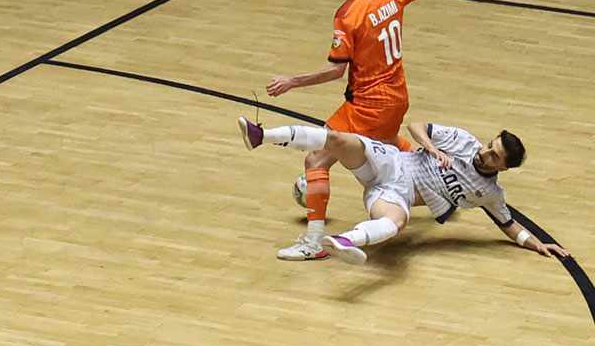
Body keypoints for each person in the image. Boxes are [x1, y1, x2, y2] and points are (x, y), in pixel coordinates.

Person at [263, 0, 465, 261]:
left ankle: (313, 244)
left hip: (367, 105)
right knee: (389, 143)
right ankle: (443, 186)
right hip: (397, 98)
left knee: (316, 158)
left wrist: (291, 82)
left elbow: (335, 70)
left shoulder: (348, 14)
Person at [237, 117, 570, 263]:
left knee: (396, 223)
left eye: (494, 156)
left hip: (395, 196)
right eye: (489, 146)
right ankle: (261, 136)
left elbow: (508, 225)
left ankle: (344, 241)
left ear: (503, 168)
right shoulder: (463, 141)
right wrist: (432, 147)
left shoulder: (489, 194)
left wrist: (538, 244)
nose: (484, 153)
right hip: (392, 164)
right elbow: (415, 126)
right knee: (338, 140)